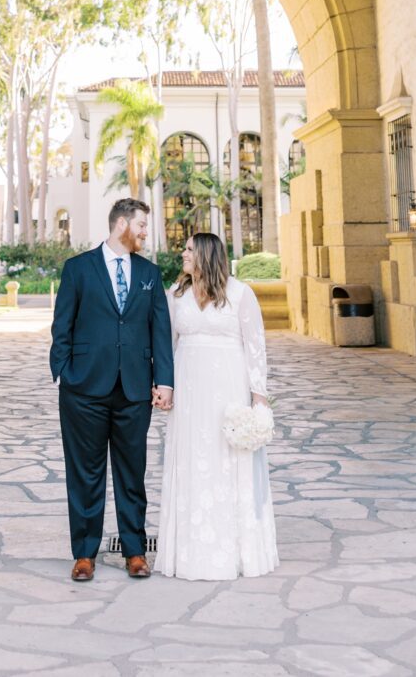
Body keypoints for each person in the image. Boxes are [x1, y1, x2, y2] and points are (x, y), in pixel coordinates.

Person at [49, 197, 174, 582]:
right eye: (141, 225)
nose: (144, 233)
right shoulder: (78, 269)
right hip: (83, 388)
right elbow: (62, 326)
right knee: (85, 473)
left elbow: (160, 331)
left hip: (134, 390)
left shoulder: (150, 273)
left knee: (131, 473)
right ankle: (84, 553)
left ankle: (134, 551)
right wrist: (65, 372)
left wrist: (164, 380)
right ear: (122, 225)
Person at [155, 231, 279, 580]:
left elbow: (255, 347)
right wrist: (164, 384)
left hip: (228, 387)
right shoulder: (176, 294)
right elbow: (167, 343)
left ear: (207, 255)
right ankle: (190, 549)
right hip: (190, 391)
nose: (183, 253)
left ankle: (236, 549)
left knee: (228, 458)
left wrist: (258, 398)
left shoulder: (240, 294)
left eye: (190, 249)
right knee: (193, 458)